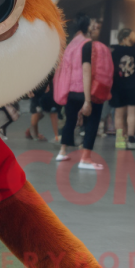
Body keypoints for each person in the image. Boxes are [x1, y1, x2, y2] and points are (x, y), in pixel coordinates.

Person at [56, 14, 111, 170]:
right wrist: (87, 100)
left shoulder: (72, 45)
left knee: (70, 120)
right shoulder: (88, 45)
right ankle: (85, 158)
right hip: (85, 90)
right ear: (87, 27)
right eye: (93, 24)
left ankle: (62, 151)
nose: (95, 27)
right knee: (92, 121)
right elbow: (87, 70)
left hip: (71, 90)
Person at [110, 27, 135, 149]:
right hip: (134, 86)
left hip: (117, 86)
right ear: (126, 37)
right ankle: (131, 138)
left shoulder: (114, 51)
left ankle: (119, 140)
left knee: (119, 114)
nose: (134, 37)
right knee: (132, 113)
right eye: (132, 35)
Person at [26, 70, 61, 142]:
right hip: (37, 84)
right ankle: (35, 134)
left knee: (49, 110)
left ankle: (56, 136)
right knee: (38, 111)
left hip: (48, 82)